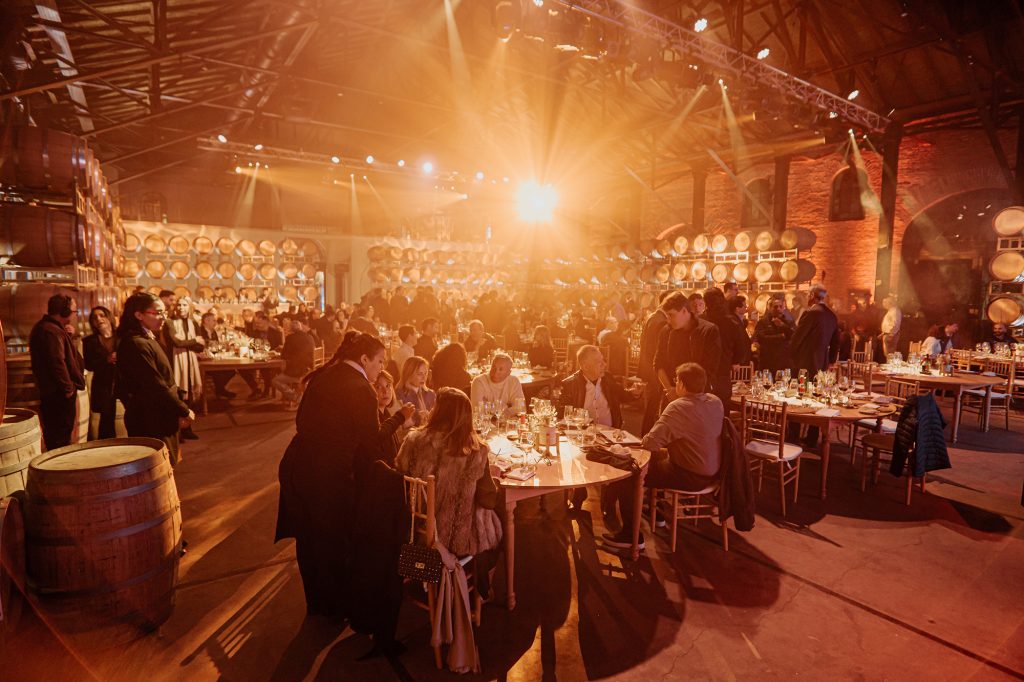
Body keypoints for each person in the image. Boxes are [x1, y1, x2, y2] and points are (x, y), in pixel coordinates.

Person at [276, 332, 413, 623]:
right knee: (332, 540)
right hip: (327, 472)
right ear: (364, 359)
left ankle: (316, 604)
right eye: (379, 361)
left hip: (297, 464)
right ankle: (334, 607)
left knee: (308, 537)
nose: (381, 367)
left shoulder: (326, 373)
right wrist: (399, 418)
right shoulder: (360, 388)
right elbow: (372, 442)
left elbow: (302, 420)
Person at [396, 387, 502, 599]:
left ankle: (436, 581)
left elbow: (400, 476)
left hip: (415, 531)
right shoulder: (476, 451)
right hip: (457, 541)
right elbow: (488, 500)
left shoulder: (413, 440)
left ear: (437, 411)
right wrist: (494, 479)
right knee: (499, 524)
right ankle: (478, 584)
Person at [603, 363, 723, 550]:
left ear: (681, 384)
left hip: (689, 474)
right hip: (714, 472)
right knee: (653, 458)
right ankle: (655, 511)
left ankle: (630, 536)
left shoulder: (679, 407)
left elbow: (650, 443)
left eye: (676, 381)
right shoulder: (715, 401)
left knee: (629, 472)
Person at [115, 293, 194, 466]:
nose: (163, 317)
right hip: (150, 418)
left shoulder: (147, 337)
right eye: (158, 313)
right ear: (139, 315)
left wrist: (179, 394)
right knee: (158, 467)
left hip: (160, 413)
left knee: (166, 464)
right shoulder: (136, 343)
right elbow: (155, 384)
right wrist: (183, 409)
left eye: (164, 312)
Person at [29, 292, 86, 449]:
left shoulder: (51, 329)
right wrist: (68, 388)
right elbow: (57, 362)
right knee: (60, 437)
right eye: (74, 311)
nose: (74, 315)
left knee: (60, 434)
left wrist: (67, 336)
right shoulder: (51, 331)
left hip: (56, 393)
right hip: (58, 395)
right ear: (64, 311)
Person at [790, 284, 840, 446]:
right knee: (817, 399)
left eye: (807, 294)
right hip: (822, 363)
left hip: (804, 363)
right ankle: (812, 437)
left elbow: (797, 338)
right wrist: (830, 361)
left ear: (812, 295)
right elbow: (836, 342)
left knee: (799, 398)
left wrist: (791, 355)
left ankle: (793, 437)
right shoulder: (832, 315)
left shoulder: (811, 314)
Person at [654, 292, 721, 410]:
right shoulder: (666, 331)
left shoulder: (708, 330)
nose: (668, 320)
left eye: (671, 315)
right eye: (667, 316)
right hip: (670, 395)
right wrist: (670, 389)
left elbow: (709, 370)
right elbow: (658, 364)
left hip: (697, 398)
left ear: (685, 311)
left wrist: (683, 392)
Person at [164, 297, 205, 440]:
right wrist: (193, 341)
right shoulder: (170, 323)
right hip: (176, 362)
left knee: (190, 397)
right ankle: (177, 431)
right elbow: (176, 342)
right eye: (179, 305)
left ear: (189, 307)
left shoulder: (194, 323)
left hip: (190, 363)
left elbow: (201, 346)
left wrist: (188, 343)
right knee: (178, 397)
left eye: (184, 305)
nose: (181, 307)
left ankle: (187, 428)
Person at [703, 287, 744, 406]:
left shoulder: (700, 321)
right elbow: (741, 347)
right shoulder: (731, 322)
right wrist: (735, 361)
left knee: (703, 409)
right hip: (723, 370)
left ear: (706, 302)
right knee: (722, 408)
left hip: (703, 370)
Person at [83, 306, 118, 439]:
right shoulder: (89, 341)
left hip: (123, 381)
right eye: (94, 317)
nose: (98, 319)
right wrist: (106, 360)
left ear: (109, 317)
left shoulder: (121, 336)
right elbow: (89, 365)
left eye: (102, 315)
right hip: (103, 384)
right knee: (106, 419)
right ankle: (109, 445)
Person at [272, 317, 316, 405]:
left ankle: (294, 396)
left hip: (298, 372)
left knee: (275, 380)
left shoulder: (290, 338)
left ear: (291, 329)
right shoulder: (309, 337)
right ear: (300, 327)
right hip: (309, 369)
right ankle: (297, 395)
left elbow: (284, 355)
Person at [374, 370, 412, 466]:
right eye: (378, 387)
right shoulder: (373, 416)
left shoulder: (386, 414)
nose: (385, 391)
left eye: (388, 386)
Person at [471, 353, 525, 417]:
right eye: (494, 367)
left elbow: (521, 408)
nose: (496, 372)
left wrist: (489, 406)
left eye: (500, 369)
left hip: (507, 422)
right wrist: (507, 407)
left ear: (508, 373)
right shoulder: (479, 381)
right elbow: (477, 410)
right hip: (485, 422)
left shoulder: (514, 381)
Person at [754, 297, 794, 373]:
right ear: (770, 308)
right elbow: (761, 338)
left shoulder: (788, 322)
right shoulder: (763, 322)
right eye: (775, 307)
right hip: (768, 361)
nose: (778, 309)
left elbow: (794, 336)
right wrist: (780, 337)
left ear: (784, 308)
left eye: (780, 306)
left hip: (784, 361)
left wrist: (783, 326)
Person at [394, 356, 436, 427]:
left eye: (425, 373)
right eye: (419, 374)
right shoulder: (399, 394)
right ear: (408, 374)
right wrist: (418, 416)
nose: (424, 377)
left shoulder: (431, 394)